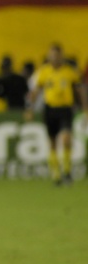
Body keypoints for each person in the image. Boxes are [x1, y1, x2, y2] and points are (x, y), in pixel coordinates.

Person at [25, 43, 88, 186]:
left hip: (65, 109)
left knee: (66, 139)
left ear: (61, 56)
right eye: (52, 55)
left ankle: (67, 172)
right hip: (50, 109)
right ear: (49, 56)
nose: (54, 58)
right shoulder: (44, 72)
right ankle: (56, 175)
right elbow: (36, 91)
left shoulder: (70, 71)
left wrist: (85, 109)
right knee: (52, 143)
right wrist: (30, 109)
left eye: (57, 55)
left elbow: (80, 90)